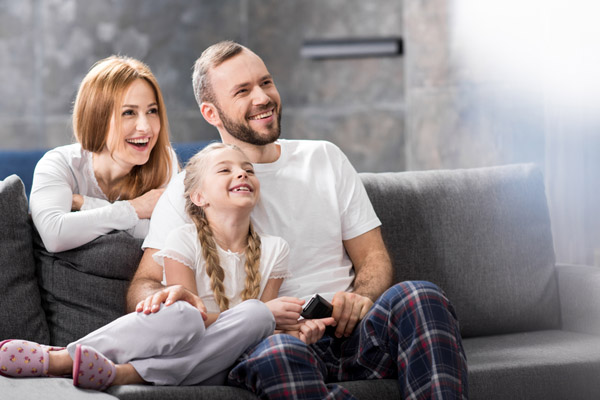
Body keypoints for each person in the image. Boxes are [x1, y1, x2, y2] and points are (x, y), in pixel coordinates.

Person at [128, 41, 468, 399]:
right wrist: (170, 301)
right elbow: (144, 283)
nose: (262, 98)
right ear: (211, 113)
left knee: (420, 295)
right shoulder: (193, 187)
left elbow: (373, 257)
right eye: (243, 91)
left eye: (266, 83)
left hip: (351, 334)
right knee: (279, 352)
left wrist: (360, 298)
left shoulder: (324, 157)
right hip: (270, 343)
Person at [0, 143, 309, 390]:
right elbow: (194, 318)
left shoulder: (275, 249)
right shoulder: (182, 240)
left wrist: (297, 325)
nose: (242, 174)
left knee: (256, 315)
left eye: (248, 170)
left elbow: (266, 328)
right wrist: (264, 314)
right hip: (187, 343)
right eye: (225, 170)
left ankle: (115, 372)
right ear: (199, 196)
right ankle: (70, 358)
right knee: (184, 313)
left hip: (225, 359)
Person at [29, 55, 179, 253]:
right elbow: (54, 235)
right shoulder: (58, 164)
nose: (145, 127)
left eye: (152, 111)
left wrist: (86, 204)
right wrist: (136, 208)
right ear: (97, 118)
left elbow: (170, 238)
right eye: (128, 113)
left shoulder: (164, 161)